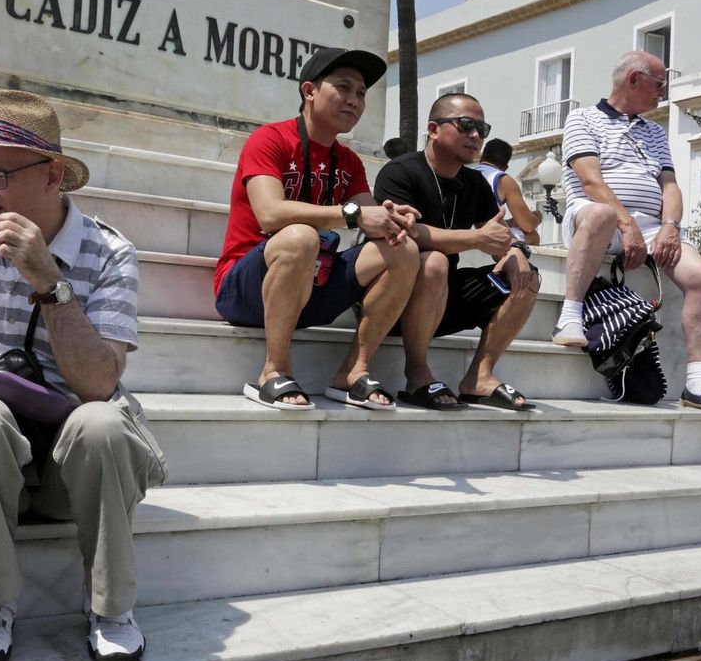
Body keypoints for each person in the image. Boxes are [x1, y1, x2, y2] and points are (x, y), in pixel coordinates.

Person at [0, 91, 168, 661]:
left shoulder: (109, 253)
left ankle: (110, 607)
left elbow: (99, 384)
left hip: (68, 462)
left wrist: (50, 282)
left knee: (103, 423)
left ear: (53, 174)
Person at [215, 46, 422, 410]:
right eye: (342, 87)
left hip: (312, 287)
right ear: (309, 91)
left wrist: (390, 217)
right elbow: (270, 214)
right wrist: (353, 214)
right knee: (299, 235)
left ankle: (353, 371)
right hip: (246, 288)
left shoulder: (349, 161)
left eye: (360, 93)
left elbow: (369, 218)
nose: (354, 100)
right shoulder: (270, 139)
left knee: (402, 249)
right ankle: (274, 369)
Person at [550, 50, 701, 414]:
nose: (663, 92)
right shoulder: (582, 119)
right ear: (633, 80)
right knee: (603, 213)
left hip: (652, 225)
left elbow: (669, 185)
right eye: (659, 84)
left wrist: (670, 227)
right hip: (594, 215)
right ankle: (569, 318)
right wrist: (628, 224)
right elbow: (590, 180)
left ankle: (698, 384)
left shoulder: (654, 130)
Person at [372, 94, 541, 410]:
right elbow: (407, 233)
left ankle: (480, 377)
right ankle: (417, 372)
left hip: (439, 299)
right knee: (433, 262)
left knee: (527, 277)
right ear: (434, 129)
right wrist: (476, 238)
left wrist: (516, 251)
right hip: (390, 297)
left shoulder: (475, 182)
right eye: (465, 125)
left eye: (481, 128)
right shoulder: (400, 171)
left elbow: (499, 236)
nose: (475, 136)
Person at [474, 138, 543, 248]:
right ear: (506, 167)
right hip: (484, 237)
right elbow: (528, 225)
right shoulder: (503, 179)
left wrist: (509, 221)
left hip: (462, 231)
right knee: (533, 236)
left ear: (482, 158)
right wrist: (537, 218)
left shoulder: (469, 173)